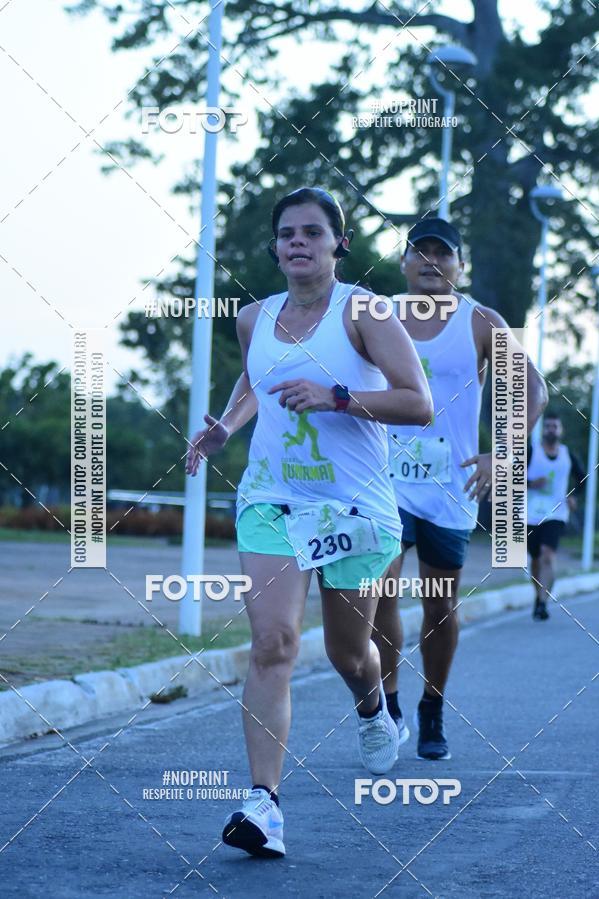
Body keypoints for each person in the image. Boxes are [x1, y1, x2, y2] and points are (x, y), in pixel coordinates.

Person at [186, 187, 433, 858]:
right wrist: (225, 428)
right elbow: (252, 383)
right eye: (288, 233)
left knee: (348, 653)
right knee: (275, 643)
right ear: (276, 247)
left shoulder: (365, 310)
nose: (298, 242)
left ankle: (374, 704)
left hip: (354, 508)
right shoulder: (253, 317)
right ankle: (263, 805)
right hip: (272, 499)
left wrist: (337, 396)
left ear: (337, 244)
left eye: (313, 232)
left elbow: (419, 402)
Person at [372, 216, 548, 761]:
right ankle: (390, 704)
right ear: (403, 263)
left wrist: (503, 452)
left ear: (458, 266)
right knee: (379, 594)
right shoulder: (378, 317)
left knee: (440, 606)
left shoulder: (479, 321)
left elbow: (533, 389)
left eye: (442, 254)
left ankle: (432, 705)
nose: (430, 262)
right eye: (419, 253)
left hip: (449, 488)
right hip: (381, 484)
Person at [527, 411, 586, 620]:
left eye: (555, 426)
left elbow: (582, 479)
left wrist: (574, 496)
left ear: (561, 430)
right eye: (548, 426)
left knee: (548, 556)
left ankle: (543, 603)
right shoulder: (531, 452)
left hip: (557, 513)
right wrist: (530, 484)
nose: (551, 430)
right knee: (535, 560)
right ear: (543, 429)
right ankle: (538, 596)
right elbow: (511, 477)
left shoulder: (567, 454)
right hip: (530, 514)